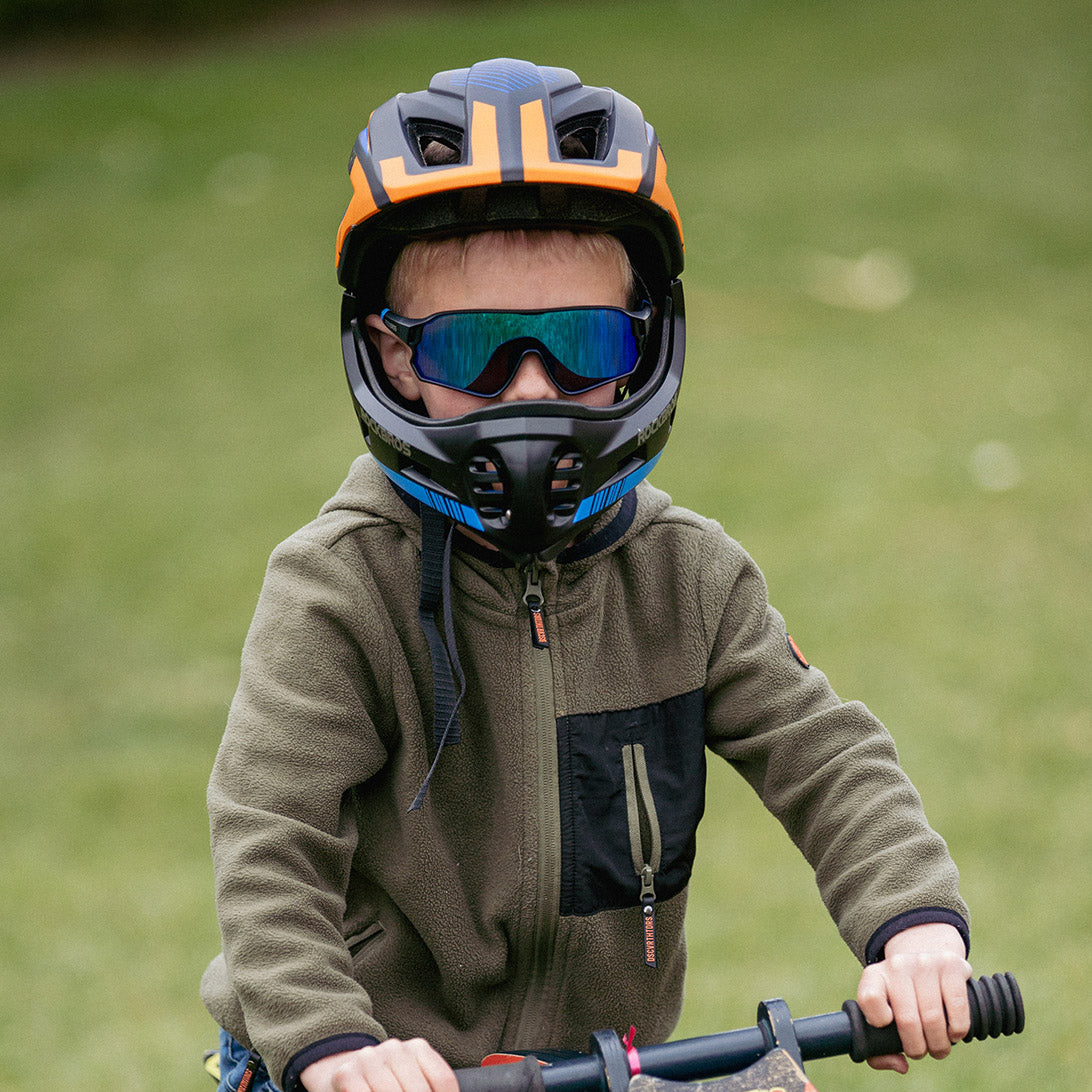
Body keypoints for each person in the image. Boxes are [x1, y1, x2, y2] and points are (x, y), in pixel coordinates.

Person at [201, 58, 972, 1092]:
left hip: (594, 1069)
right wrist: (328, 1041)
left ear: (641, 344)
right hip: (369, 1066)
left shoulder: (687, 577)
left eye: (580, 341)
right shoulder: (338, 588)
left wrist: (913, 924)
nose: (532, 389)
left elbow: (826, 755)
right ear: (393, 359)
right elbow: (270, 842)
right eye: (473, 350)